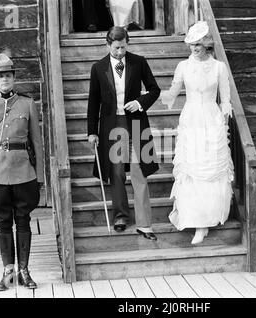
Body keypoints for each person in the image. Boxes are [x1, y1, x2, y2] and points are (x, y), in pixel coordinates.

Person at [0, 52, 44, 290]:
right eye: (0, 76)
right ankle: (8, 273)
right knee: (3, 221)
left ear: (14, 78)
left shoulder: (26, 103)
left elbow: (37, 142)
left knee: (23, 220)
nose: (4, 79)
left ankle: (24, 271)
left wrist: (40, 175)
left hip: (24, 171)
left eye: (8, 75)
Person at [160, 21, 234, 245]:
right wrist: (153, 95)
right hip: (191, 119)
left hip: (211, 120)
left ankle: (207, 221)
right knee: (191, 168)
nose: (194, 48)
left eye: (198, 44)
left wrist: (224, 120)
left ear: (206, 45)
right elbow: (173, 91)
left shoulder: (219, 67)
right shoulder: (183, 66)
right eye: (191, 44)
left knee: (210, 166)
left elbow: (226, 98)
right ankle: (194, 218)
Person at [87, 26, 161, 240]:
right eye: (117, 47)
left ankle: (145, 224)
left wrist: (140, 102)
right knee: (117, 172)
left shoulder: (139, 62)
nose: (120, 52)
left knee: (140, 172)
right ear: (107, 44)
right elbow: (93, 102)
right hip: (112, 125)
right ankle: (120, 215)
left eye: (124, 47)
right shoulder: (98, 68)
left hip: (137, 123)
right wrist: (92, 131)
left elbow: (154, 89)